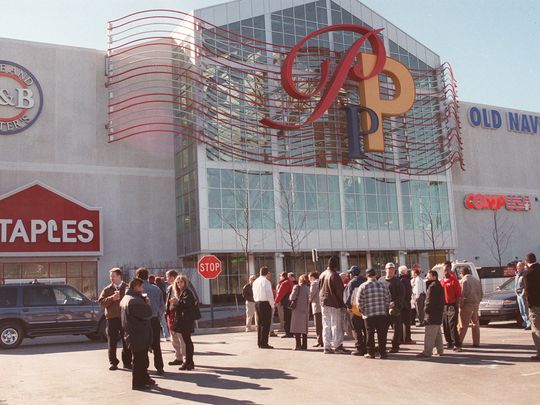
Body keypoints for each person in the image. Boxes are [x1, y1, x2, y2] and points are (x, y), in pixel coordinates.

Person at [120, 278, 154, 390]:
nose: (142, 289)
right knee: (139, 359)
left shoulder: (127, 298)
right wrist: (147, 303)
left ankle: (144, 378)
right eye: (141, 287)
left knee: (142, 358)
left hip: (133, 333)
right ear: (136, 287)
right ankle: (138, 383)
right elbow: (147, 314)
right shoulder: (134, 300)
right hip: (138, 334)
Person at [98, 267, 132, 371]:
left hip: (124, 318)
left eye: (113, 276)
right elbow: (101, 302)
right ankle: (113, 362)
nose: (111, 278)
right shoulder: (107, 289)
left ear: (119, 276)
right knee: (112, 341)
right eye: (110, 276)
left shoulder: (127, 288)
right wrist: (112, 298)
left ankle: (127, 362)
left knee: (126, 341)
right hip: (112, 318)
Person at [135, 267, 165, 375]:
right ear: (147, 276)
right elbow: (162, 306)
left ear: (138, 277)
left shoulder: (137, 289)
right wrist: (158, 316)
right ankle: (159, 367)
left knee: (143, 345)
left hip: (141, 321)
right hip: (154, 319)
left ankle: (145, 367)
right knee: (156, 344)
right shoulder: (156, 289)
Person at [357, 268, 391, 359]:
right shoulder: (383, 285)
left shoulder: (363, 286)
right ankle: (383, 353)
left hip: (369, 314)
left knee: (370, 334)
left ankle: (371, 353)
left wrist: (362, 311)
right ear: (375, 275)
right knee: (382, 334)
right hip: (381, 313)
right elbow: (388, 300)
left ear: (366, 275)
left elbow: (359, 302)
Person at [319, 256, 348, 354]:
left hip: (324, 302)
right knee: (336, 324)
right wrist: (344, 303)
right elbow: (339, 292)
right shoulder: (335, 275)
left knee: (326, 325)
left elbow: (320, 288)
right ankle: (337, 345)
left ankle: (326, 346)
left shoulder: (322, 274)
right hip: (334, 303)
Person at [171, 274, 199, 370]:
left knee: (187, 341)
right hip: (183, 319)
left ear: (185, 282)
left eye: (181, 282)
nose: (179, 284)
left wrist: (176, 302)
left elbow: (186, 303)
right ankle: (188, 362)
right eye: (178, 282)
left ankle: (189, 362)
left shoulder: (187, 292)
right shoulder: (182, 292)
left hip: (186, 320)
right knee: (187, 341)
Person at [417, 270, 445, 358]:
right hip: (438, 313)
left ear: (434, 277)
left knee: (429, 333)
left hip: (432, 314)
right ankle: (439, 350)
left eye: (428, 276)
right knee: (437, 333)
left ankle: (427, 351)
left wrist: (426, 310)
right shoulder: (439, 285)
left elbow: (429, 301)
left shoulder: (432, 287)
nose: (426, 278)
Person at [380, 263, 405, 353]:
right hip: (383, 309)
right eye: (389, 269)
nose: (390, 271)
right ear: (385, 269)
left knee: (396, 328)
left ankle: (395, 346)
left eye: (392, 269)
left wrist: (395, 303)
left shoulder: (398, 282)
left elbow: (402, 295)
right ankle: (382, 346)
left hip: (395, 309)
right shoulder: (381, 280)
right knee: (382, 329)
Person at [343, 265, 367, 356]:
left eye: (349, 273)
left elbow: (347, 297)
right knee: (366, 329)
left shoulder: (352, 283)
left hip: (355, 309)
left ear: (352, 273)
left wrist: (348, 306)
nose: (349, 275)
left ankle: (360, 348)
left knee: (357, 329)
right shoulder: (365, 280)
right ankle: (367, 346)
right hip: (365, 309)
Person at [440, 261, 462, 352]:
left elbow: (458, 295)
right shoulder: (441, 281)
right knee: (445, 325)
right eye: (444, 270)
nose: (446, 272)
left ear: (450, 270)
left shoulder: (454, 281)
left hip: (452, 305)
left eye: (447, 270)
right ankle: (449, 342)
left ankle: (457, 344)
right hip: (444, 306)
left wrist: (457, 306)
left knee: (452, 324)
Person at [458, 266, 483, 347]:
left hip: (467, 304)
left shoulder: (463, 281)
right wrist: (478, 301)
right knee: (475, 323)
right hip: (476, 304)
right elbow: (481, 293)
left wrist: (460, 306)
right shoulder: (477, 281)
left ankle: (459, 342)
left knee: (463, 325)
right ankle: (476, 342)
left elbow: (462, 295)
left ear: (462, 273)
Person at [165, 269, 185, 367]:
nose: (166, 278)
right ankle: (178, 357)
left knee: (182, 338)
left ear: (173, 277)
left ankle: (185, 359)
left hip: (179, 315)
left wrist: (176, 303)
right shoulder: (169, 288)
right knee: (174, 338)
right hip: (170, 314)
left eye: (167, 276)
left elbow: (186, 301)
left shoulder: (182, 288)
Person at [252, 266, 275, 349]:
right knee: (266, 324)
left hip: (257, 303)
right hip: (265, 303)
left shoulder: (255, 282)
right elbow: (269, 294)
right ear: (267, 273)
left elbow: (254, 293)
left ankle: (259, 342)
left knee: (259, 324)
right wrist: (272, 305)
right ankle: (264, 343)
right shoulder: (266, 282)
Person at [524, 253, 540, 361]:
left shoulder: (528, 274)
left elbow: (528, 291)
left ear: (527, 262)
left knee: (536, 330)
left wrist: (529, 304)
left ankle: (539, 353)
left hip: (535, 305)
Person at [290, 274, 310, 350]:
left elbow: (292, 297)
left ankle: (298, 345)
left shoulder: (296, 287)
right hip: (305, 310)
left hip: (297, 310)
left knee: (296, 329)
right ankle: (304, 345)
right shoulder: (307, 288)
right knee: (304, 329)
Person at [275, 271, 294, 338]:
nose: (279, 278)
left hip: (285, 302)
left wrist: (276, 301)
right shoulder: (290, 282)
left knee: (286, 318)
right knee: (290, 318)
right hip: (290, 302)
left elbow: (280, 294)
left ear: (283, 276)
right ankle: (291, 332)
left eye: (280, 276)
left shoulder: (284, 283)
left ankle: (288, 333)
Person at [399, 265, 414, 344]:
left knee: (400, 322)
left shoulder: (399, 280)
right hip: (406, 303)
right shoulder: (407, 280)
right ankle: (407, 338)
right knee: (407, 322)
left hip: (400, 303)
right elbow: (408, 292)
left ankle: (401, 338)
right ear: (405, 271)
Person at [515, 261, 531, 330]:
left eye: (519, 266)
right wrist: (516, 292)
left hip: (522, 295)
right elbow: (516, 285)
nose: (517, 268)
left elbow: (525, 286)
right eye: (517, 266)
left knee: (525, 310)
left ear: (522, 266)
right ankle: (525, 322)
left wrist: (523, 294)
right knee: (521, 310)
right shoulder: (517, 275)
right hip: (518, 295)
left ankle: (529, 323)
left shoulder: (524, 274)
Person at [308, 271, 323, 347]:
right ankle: (323, 340)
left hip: (317, 306)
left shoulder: (314, 283)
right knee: (322, 325)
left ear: (312, 277)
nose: (309, 279)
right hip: (322, 306)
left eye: (309, 277)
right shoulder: (321, 281)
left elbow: (310, 295)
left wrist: (306, 302)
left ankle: (319, 341)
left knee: (318, 325)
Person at [155, 276, 170, 341]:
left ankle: (158, 337)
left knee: (157, 323)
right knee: (163, 322)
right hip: (162, 306)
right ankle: (166, 335)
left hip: (157, 306)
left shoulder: (156, 288)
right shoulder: (163, 288)